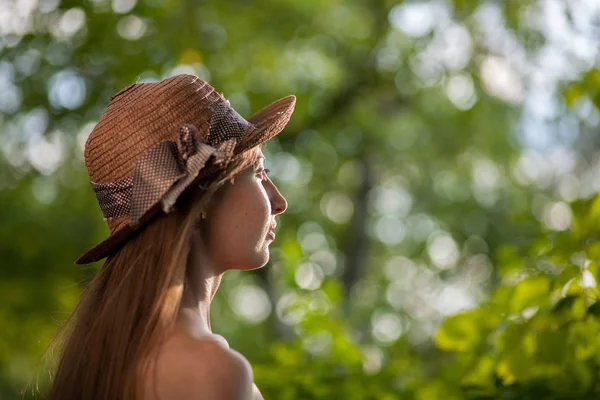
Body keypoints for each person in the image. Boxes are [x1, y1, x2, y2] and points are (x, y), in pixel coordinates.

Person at [40, 74, 295, 399]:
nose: (279, 202)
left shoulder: (107, 359)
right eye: (259, 173)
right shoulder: (210, 370)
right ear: (202, 195)